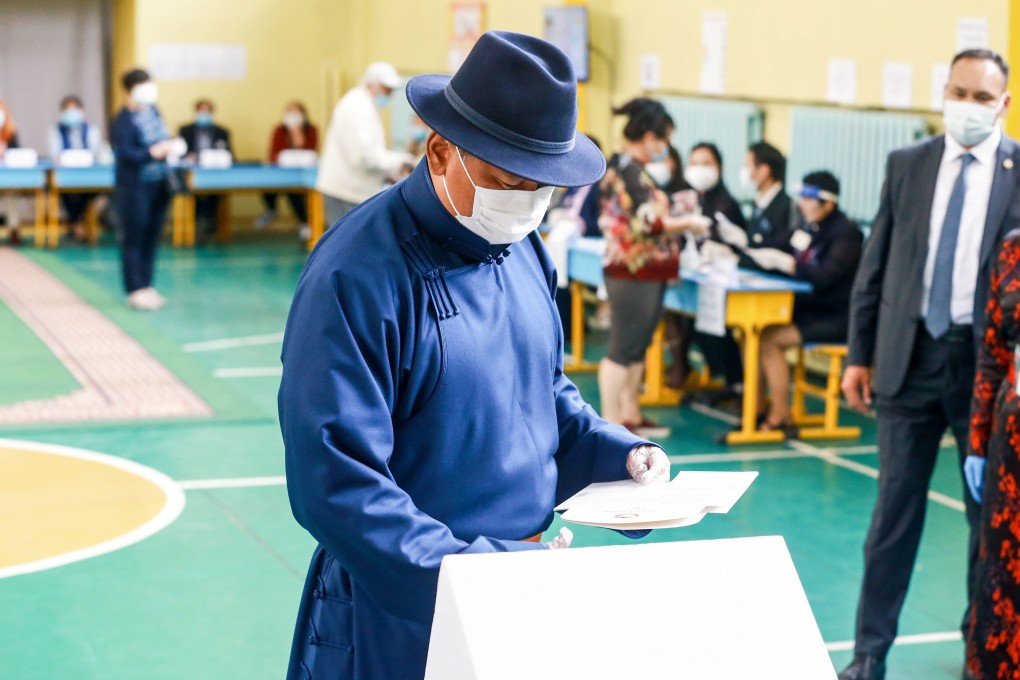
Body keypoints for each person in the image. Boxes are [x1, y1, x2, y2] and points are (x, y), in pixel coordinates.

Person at [278, 31, 671, 680]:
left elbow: (542, 397)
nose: (523, 205)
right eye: (503, 181)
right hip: (401, 610)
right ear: (439, 151)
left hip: (519, 588)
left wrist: (617, 454)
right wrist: (473, 573)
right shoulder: (358, 274)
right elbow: (334, 481)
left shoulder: (524, 250)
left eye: (540, 188)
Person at [838, 49, 1020, 680]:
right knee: (893, 515)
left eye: (980, 96)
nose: (966, 105)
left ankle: (981, 646)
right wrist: (858, 355)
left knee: (987, 518)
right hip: (907, 359)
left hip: (986, 372)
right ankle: (868, 653)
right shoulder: (907, 164)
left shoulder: (1019, 171)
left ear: (1003, 103)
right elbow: (875, 266)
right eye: (957, 91)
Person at [598, 98, 705, 436]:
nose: (666, 147)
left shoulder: (631, 168)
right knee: (622, 348)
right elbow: (649, 224)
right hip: (631, 271)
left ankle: (630, 413)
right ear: (648, 136)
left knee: (638, 347)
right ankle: (610, 422)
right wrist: (688, 221)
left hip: (648, 271)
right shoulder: (628, 170)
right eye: (664, 139)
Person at [745, 171, 862, 432]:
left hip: (836, 317)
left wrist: (790, 265)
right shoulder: (808, 226)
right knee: (751, 333)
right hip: (809, 311)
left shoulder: (847, 234)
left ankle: (779, 414)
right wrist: (745, 245)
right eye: (802, 199)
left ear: (829, 203)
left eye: (810, 200)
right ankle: (755, 407)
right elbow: (776, 244)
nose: (803, 205)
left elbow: (826, 276)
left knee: (768, 340)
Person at [964, 230, 1020, 679]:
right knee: (1002, 573)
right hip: (1012, 445)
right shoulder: (1013, 247)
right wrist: (978, 439)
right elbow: (993, 351)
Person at [685, 141, 747, 406]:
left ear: (719, 168)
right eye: (695, 162)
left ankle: (736, 381)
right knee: (691, 322)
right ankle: (720, 377)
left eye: (706, 163)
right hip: (700, 273)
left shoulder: (725, 203)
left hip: (727, 277)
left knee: (715, 327)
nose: (700, 169)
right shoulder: (693, 199)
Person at [315, 61, 414, 227]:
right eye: (386, 90)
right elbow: (366, 157)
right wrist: (403, 160)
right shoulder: (359, 107)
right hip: (346, 193)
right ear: (372, 84)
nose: (389, 95)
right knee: (347, 247)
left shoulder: (363, 104)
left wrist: (387, 172)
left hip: (352, 189)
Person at [110, 68, 174, 311]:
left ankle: (147, 285)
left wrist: (169, 146)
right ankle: (134, 288)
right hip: (134, 187)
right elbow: (125, 153)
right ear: (131, 90)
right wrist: (150, 153)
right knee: (134, 237)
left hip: (159, 183)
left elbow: (162, 136)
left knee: (152, 236)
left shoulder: (154, 111)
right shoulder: (123, 119)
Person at [258, 101, 319, 238]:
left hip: (303, 174)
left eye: (296, 112)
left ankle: (305, 223)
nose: (293, 115)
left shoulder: (311, 129)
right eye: (290, 112)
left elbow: (311, 152)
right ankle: (271, 209)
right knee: (268, 185)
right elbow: (274, 154)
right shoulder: (279, 130)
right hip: (281, 173)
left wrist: (298, 136)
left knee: (294, 192)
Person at [49, 95, 104, 241]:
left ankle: (76, 222)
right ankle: (75, 223)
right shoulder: (57, 131)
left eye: (75, 109)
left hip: (88, 174)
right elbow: (55, 155)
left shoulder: (91, 130)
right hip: (66, 174)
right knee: (67, 192)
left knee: (86, 192)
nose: (71, 113)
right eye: (68, 110)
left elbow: (96, 154)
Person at [179, 99, 232, 236]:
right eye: (201, 111)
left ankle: (208, 221)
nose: (204, 114)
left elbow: (230, 155)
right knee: (191, 191)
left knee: (214, 192)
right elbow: (179, 153)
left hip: (215, 174)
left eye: (207, 111)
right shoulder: (185, 130)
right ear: (196, 112)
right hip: (192, 172)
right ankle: (199, 221)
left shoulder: (222, 132)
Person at [0, 98, 23, 246]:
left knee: (10, 193)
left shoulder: (11, 132)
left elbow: (18, 156)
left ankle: (14, 229)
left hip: (7, 177)